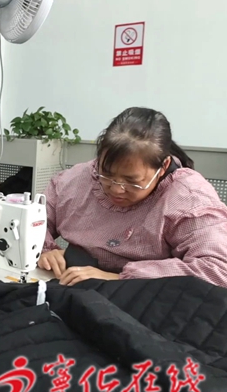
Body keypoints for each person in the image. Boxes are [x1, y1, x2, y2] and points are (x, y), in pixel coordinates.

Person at [39, 107, 227, 288]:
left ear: (163, 167)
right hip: (74, 283)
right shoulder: (75, 180)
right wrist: (44, 250)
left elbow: (217, 269)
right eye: (107, 174)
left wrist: (121, 278)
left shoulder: (188, 198)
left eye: (131, 181)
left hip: (144, 297)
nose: (116, 189)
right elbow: (34, 220)